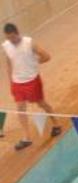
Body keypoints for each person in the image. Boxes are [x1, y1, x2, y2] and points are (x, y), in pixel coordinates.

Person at [2, 23, 62, 151]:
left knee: (42, 104)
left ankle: (56, 123)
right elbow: (8, 63)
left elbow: (47, 56)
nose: (11, 41)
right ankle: (26, 137)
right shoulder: (6, 46)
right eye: (8, 38)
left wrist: (35, 63)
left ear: (17, 33)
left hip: (32, 80)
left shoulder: (29, 43)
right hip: (17, 82)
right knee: (20, 108)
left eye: (13, 38)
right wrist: (11, 80)